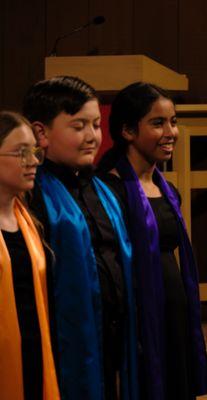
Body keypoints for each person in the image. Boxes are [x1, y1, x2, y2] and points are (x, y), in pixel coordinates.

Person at [23, 76, 137, 400]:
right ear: (40, 133)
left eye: (96, 125)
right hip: (64, 343)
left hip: (112, 337)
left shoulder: (104, 189)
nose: (92, 137)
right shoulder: (32, 198)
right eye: (78, 126)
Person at [98, 82, 207, 399]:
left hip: (173, 314)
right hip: (138, 318)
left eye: (173, 121)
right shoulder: (109, 191)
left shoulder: (166, 188)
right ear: (127, 131)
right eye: (157, 123)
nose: (171, 132)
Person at [0, 111, 60, 400]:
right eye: (21, 152)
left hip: (33, 359)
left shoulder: (28, 221)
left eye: (34, 151)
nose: (34, 160)